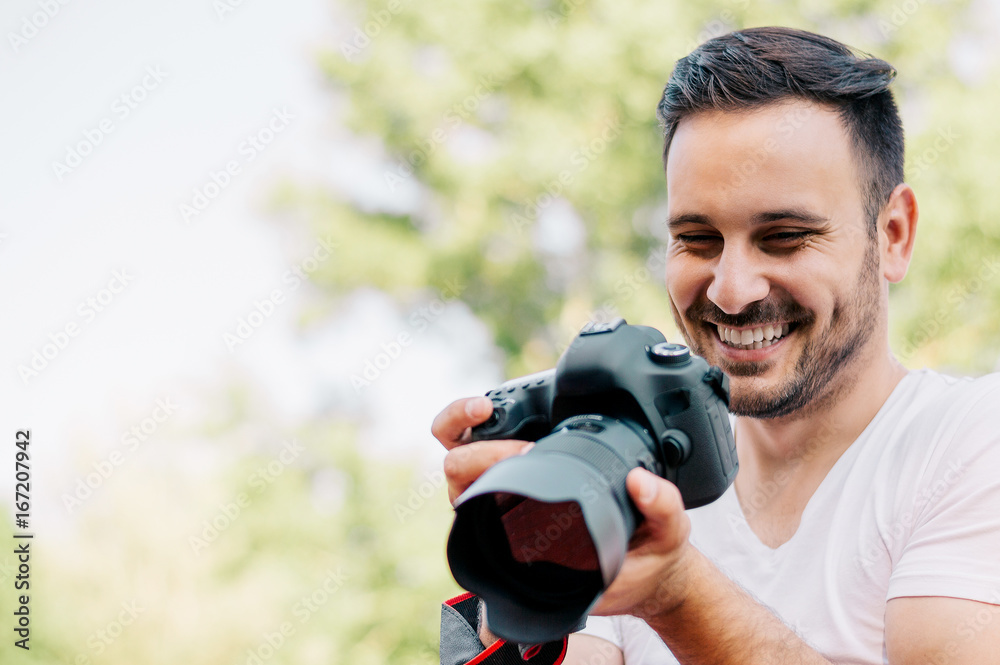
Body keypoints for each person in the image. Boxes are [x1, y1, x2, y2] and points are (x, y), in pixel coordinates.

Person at [433, 26, 1000, 664]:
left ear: (892, 234)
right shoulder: (624, 473)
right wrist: (528, 579)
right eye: (698, 240)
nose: (731, 291)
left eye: (784, 236)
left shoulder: (972, 441)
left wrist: (675, 593)